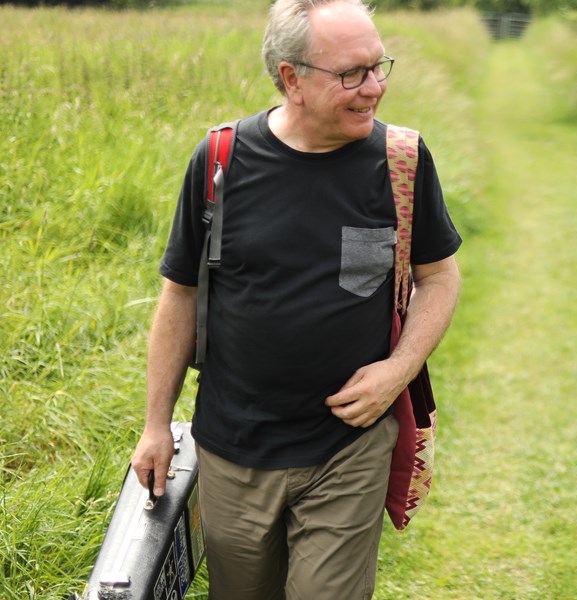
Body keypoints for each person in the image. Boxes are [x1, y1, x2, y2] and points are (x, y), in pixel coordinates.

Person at [130, 0, 462, 596]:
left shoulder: (401, 162)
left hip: (349, 447)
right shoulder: (220, 161)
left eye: (379, 66)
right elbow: (179, 296)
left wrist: (397, 370)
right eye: (351, 74)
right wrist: (156, 425)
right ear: (292, 78)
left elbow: (438, 276)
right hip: (234, 450)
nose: (374, 88)